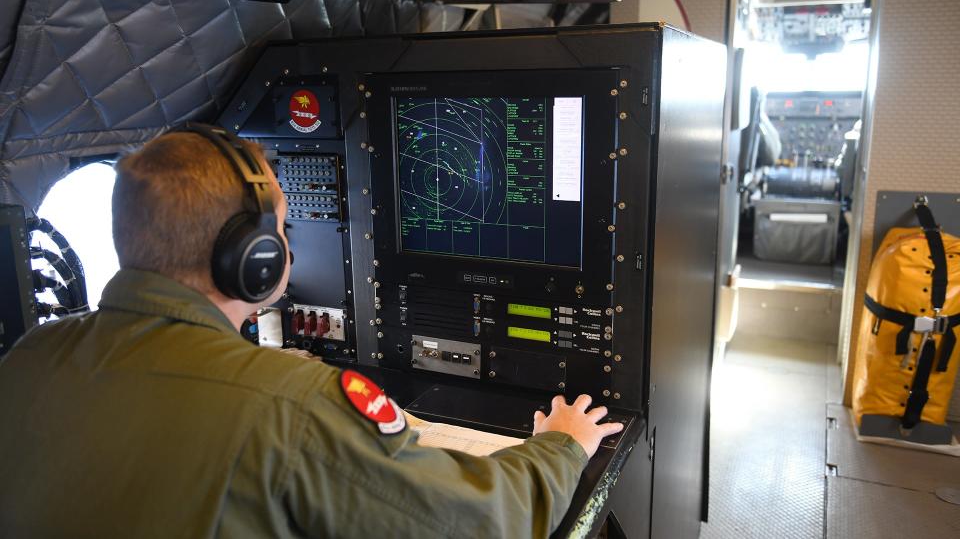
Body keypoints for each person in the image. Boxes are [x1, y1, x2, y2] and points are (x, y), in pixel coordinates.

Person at [0, 125, 623, 537]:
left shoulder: (28, 359)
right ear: (253, 258)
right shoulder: (294, 404)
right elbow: (480, 522)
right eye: (282, 232)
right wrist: (562, 446)